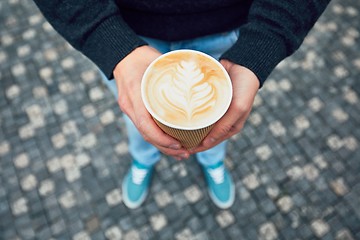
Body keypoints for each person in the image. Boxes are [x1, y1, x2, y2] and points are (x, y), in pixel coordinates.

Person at [33, 0, 330, 209]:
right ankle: (143, 160)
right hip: (124, 26)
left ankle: (212, 160)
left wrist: (265, 41)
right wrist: (105, 37)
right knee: (138, 119)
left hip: (226, 25)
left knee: (218, 117)